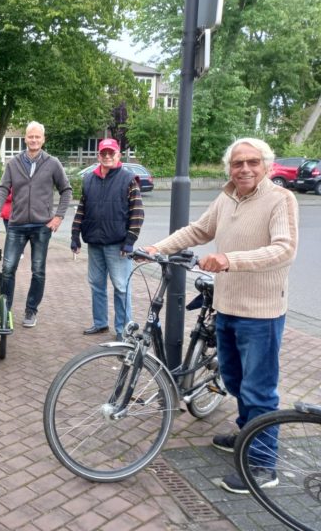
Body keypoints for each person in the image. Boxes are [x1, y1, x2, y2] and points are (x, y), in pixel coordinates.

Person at [142, 137, 298, 494]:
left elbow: (284, 249)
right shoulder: (227, 198)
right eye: (238, 162)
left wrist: (230, 259)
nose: (244, 169)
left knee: (259, 389)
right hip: (226, 307)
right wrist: (156, 248)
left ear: (267, 165)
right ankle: (248, 433)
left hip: (262, 313)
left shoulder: (281, 199)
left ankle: (261, 464)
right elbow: (199, 230)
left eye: (253, 162)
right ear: (229, 167)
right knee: (234, 379)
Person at [0, 121, 72, 328]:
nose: (34, 140)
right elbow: (2, 189)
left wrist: (58, 217)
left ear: (43, 139)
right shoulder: (13, 163)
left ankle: (31, 310)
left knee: (38, 270)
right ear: (25, 138)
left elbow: (66, 190)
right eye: (30, 136)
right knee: (7, 268)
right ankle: (4, 308)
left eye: (38, 137)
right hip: (16, 225)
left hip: (42, 226)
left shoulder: (53, 163)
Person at [71, 138, 144, 338]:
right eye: (104, 153)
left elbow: (137, 213)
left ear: (118, 155)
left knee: (121, 287)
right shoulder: (89, 180)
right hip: (94, 242)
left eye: (111, 153)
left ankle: (123, 330)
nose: (107, 156)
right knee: (96, 284)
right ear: (98, 155)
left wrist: (130, 241)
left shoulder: (128, 179)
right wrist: (75, 236)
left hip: (118, 245)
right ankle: (100, 323)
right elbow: (81, 210)